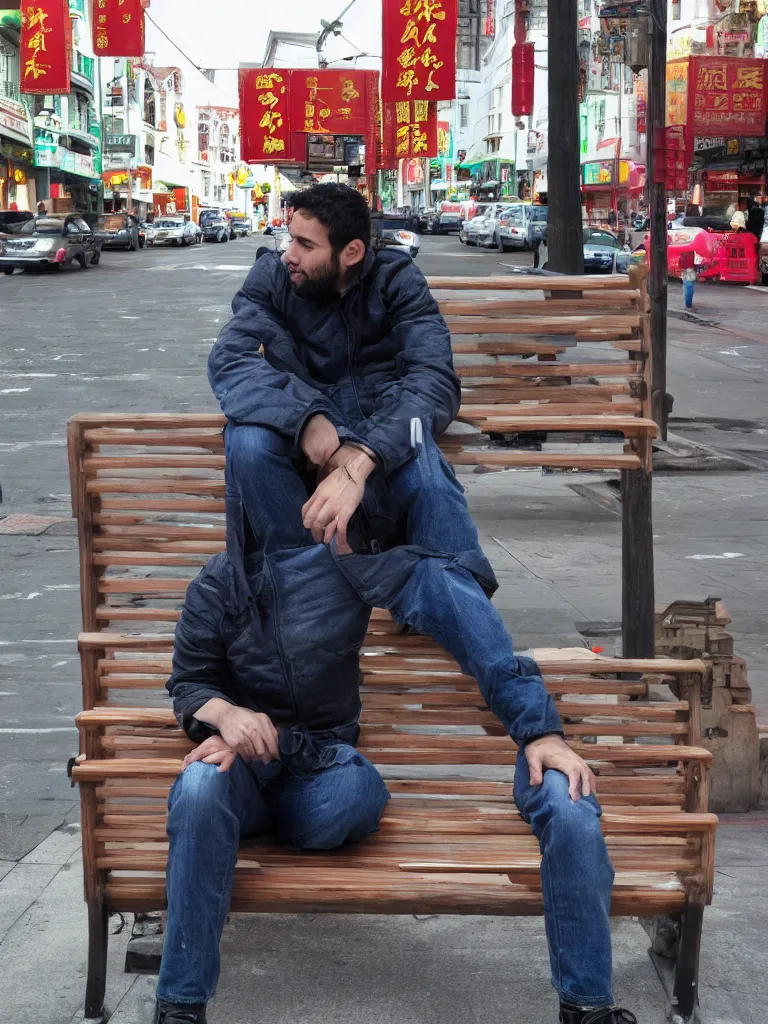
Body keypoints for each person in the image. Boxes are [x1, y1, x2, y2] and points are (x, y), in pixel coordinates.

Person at [156, 182, 636, 1024]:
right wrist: (312, 427)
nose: (286, 252)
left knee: (425, 485)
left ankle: (450, 581)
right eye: (287, 239)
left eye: (304, 243)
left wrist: (544, 733)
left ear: (351, 252)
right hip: (304, 486)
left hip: (379, 484)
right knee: (247, 436)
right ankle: (177, 1007)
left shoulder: (397, 284)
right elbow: (231, 364)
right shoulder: (227, 584)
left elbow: (431, 384)